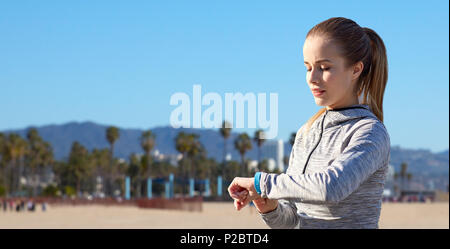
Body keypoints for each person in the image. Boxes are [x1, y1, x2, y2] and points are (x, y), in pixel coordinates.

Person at [228, 17, 390, 229]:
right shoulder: (307, 132)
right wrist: (268, 205)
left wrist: (262, 184)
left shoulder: (370, 131)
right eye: (308, 67)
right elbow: (291, 222)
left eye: (324, 67)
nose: (312, 78)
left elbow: (331, 187)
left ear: (355, 70)